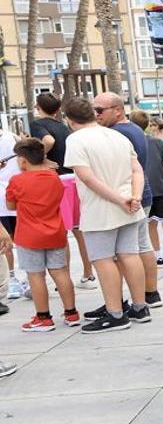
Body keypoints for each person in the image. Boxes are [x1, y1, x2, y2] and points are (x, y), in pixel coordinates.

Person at [61, 97, 148, 333]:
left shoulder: (76, 140)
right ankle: (140, 306)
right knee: (130, 254)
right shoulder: (117, 136)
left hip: (101, 208)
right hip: (130, 204)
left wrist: (119, 199)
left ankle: (115, 312)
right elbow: (136, 170)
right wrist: (134, 196)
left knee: (103, 259)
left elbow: (87, 178)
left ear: (68, 119)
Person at [94, 93, 163, 309]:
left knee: (128, 252)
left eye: (100, 110)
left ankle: (129, 300)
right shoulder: (132, 128)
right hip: (139, 193)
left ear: (117, 110)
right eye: (94, 110)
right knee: (142, 247)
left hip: (130, 196)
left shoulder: (116, 133)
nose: (96, 115)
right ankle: (149, 294)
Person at [4, 138, 79, 331]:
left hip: (28, 235)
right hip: (55, 232)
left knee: (35, 275)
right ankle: (71, 313)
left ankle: (43, 317)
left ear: (22, 161)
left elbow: (11, 205)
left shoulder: (17, 180)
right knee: (60, 272)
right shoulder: (54, 177)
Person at [30, 93, 95, 290]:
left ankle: (63, 278)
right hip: (73, 179)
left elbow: (48, 140)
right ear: (58, 109)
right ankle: (88, 273)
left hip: (56, 181)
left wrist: (39, 158)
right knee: (78, 230)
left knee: (61, 230)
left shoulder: (38, 124)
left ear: (37, 106)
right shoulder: (63, 126)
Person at [133, 112, 163, 275]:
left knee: (151, 222)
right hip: (161, 187)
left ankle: (158, 255)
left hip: (143, 189)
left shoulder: (130, 144)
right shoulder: (158, 142)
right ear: (147, 125)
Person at [0, 121, 27, 301]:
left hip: (7, 194)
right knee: (19, 238)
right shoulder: (13, 137)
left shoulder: (12, 137)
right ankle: (26, 277)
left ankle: (12, 277)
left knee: (5, 240)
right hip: (15, 191)